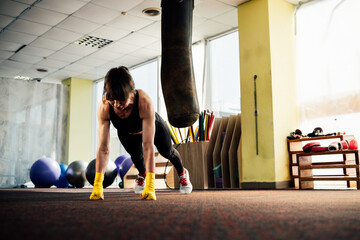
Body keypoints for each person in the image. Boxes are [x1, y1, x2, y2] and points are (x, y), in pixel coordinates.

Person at [90, 66, 193, 200]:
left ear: (130, 94)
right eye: (112, 100)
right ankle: (142, 174)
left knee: (167, 152)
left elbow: (148, 146)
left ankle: (182, 173)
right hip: (127, 133)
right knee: (136, 157)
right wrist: (98, 184)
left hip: (153, 127)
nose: (116, 105)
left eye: (121, 100)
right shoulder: (105, 106)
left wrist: (151, 185)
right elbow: (103, 148)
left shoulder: (144, 101)